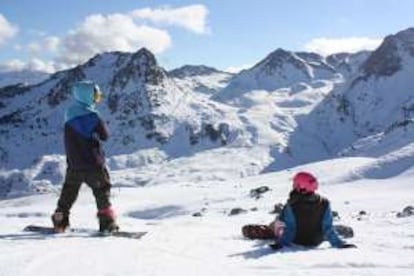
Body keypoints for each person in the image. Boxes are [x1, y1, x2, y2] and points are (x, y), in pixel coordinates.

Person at [51, 80, 118, 233]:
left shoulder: (69, 114)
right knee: (102, 191)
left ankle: (60, 220)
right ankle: (107, 223)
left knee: (68, 192)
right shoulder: (94, 116)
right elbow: (105, 136)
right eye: (96, 95)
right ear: (89, 96)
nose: (98, 98)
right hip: (93, 163)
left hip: (74, 164)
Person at [242, 172, 356, 250]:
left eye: (295, 184)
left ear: (300, 186)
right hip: (316, 241)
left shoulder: (291, 205)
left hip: (297, 240)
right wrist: (339, 244)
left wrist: (280, 244)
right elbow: (327, 227)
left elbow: (290, 229)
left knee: (277, 221)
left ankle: (268, 230)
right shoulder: (325, 202)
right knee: (320, 224)